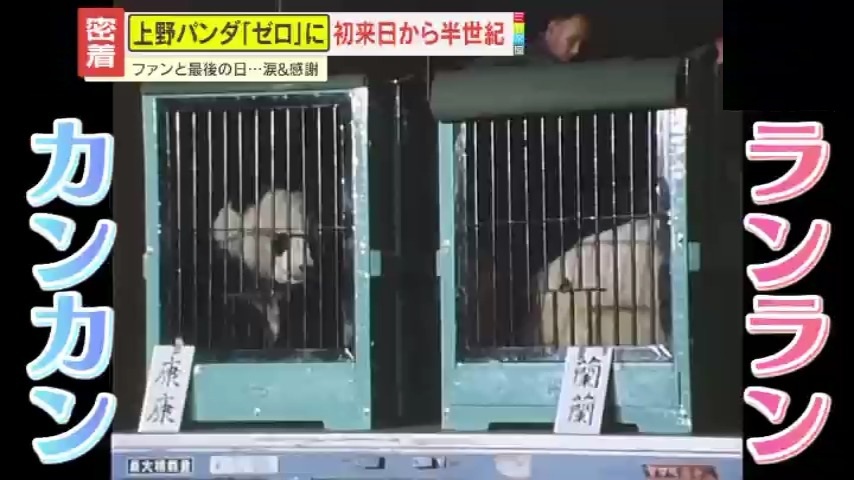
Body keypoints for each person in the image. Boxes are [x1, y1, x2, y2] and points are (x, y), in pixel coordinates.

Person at [470, 13, 591, 67]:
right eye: (572, 41)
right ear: (552, 27)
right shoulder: (516, 58)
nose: (576, 51)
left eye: (581, 44)